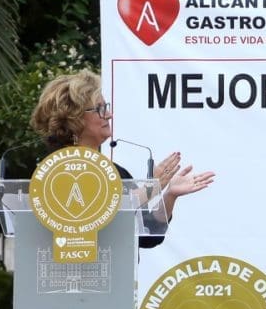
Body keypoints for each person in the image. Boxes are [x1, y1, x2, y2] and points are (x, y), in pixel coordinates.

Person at [29, 69, 214, 247]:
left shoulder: (117, 173)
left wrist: (169, 195)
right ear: (74, 118)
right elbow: (87, 215)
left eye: (106, 107)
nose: (109, 115)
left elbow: (147, 236)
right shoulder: (54, 172)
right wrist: (150, 189)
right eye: (99, 109)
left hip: (117, 269)